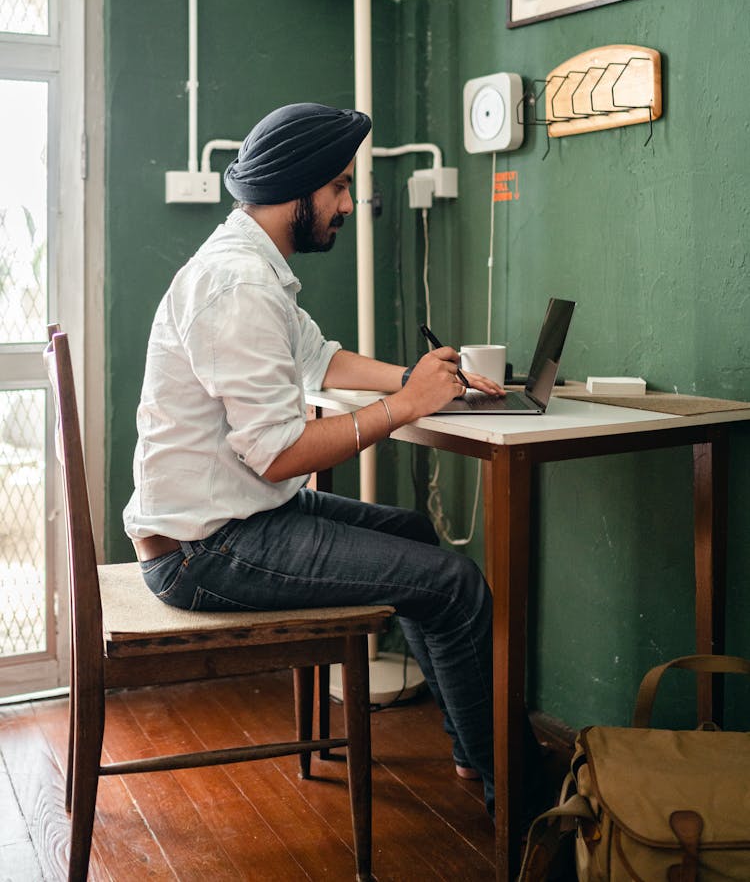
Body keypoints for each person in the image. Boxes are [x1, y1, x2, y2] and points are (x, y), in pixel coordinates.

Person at [124, 102, 522, 818]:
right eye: (338, 186)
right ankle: (519, 796)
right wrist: (405, 407)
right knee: (457, 585)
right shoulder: (239, 285)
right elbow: (279, 454)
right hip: (205, 550)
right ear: (296, 187)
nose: (347, 203)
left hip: (232, 521)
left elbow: (321, 357)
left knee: (416, 537)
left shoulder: (252, 266)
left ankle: (477, 749)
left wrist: (419, 376)